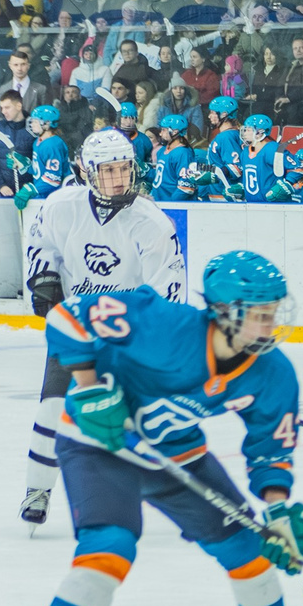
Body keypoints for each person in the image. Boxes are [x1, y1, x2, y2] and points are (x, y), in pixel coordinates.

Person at [25, 250, 303, 606]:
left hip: (176, 454)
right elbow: (66, 317)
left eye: (272, 312)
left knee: (250, 551)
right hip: (101, 441)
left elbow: (270, 447)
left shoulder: (271, 372)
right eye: (258, 315)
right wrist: (88, 387)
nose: (269, 325)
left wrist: (276, 508)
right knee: (110, 547)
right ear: (223, 312)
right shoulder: (162, 323)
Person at [19, 129, 184, 529]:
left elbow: (167, 290)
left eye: (124, 169)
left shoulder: (152, 223)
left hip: (127, 333)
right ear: (87, 173)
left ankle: (146, 496)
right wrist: (44, 278)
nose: (118, 179)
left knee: (130, 422)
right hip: (75, 325)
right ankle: (37, 489)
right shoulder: (61, 206)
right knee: (52, 409)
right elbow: (41, 243)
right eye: (108, 171)